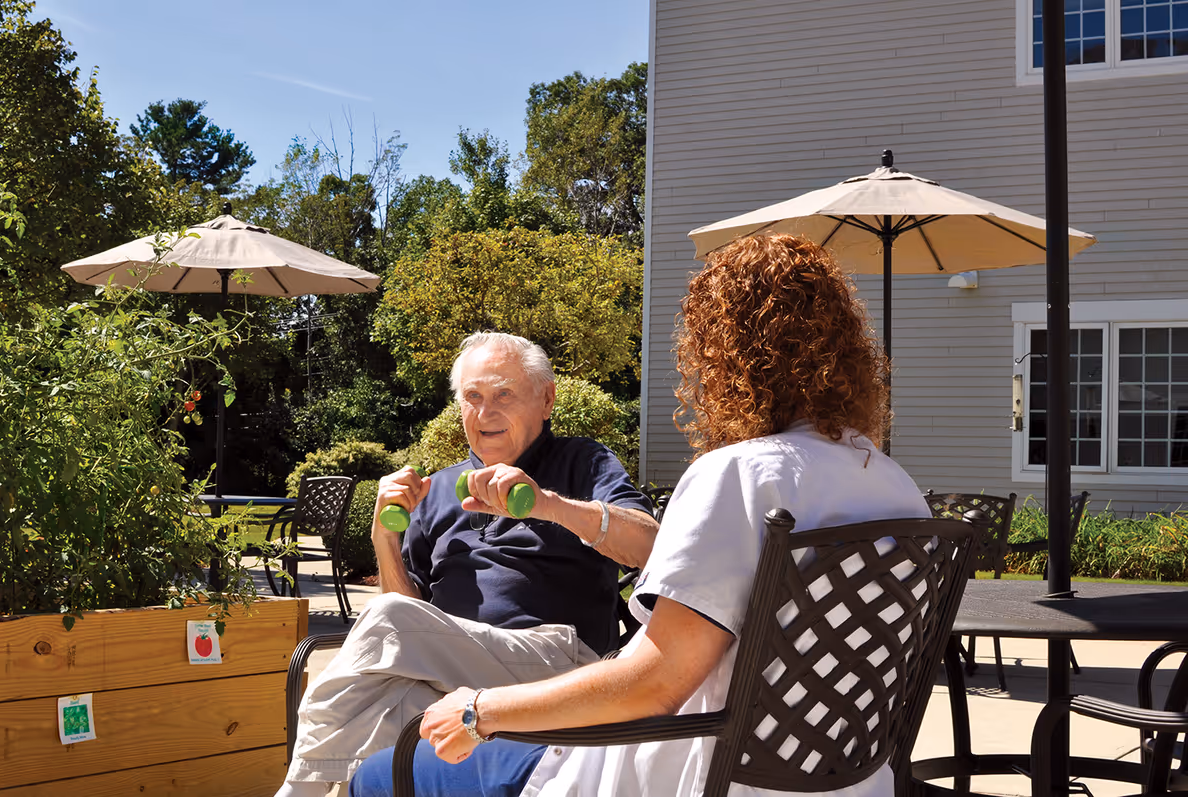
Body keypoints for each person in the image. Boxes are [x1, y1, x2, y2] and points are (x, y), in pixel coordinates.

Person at [348, 233, 932, 797]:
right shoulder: (897, 486)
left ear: (730, 358)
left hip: (674, 767)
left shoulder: (740, 475)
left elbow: (655, 685)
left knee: (376, 776)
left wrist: (481, 711)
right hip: (843, 779)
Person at [276, 332, 659, 797]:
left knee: (384, 624)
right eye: (473, 397)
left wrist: (549, 505)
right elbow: (408, 624)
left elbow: (652, 546)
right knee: (384, 716)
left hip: (559, 668)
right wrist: (384, 538)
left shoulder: (583, 462)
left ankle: (295, 792)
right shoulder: (436, 489)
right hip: (452, 677)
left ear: (546, 399)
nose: (485, 413)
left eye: (503, 395)